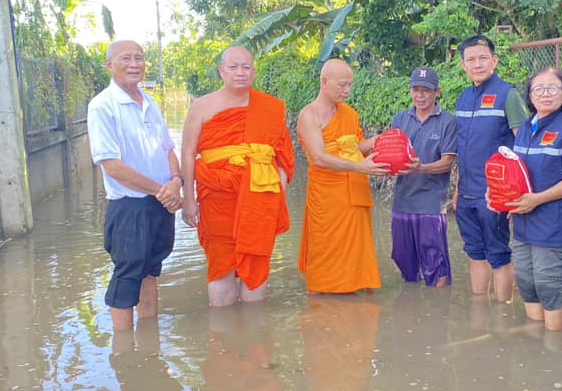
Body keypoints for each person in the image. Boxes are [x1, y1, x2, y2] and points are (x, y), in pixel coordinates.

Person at [180, 46, 295, 306]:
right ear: (222, 71)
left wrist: (278, 196)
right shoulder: (202, 105)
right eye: (233, 67)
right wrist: (188, 200)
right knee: (222, 264)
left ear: (254, 72)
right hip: (217, 196)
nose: (240, 72)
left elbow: (283, 158)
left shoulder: (270, 107)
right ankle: (223, 330)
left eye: (246, 67)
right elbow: (188, 153)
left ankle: (253, 328)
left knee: (256, 262)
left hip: (260, 197)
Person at [87, 40, 182, 331]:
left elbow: (168, 150)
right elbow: (113, 167)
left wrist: (176, 181)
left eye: (139, 58)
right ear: (110, 65)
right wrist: (163, 191)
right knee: (127, 275)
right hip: (130, 206)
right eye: (126, 58)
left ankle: (150, 340)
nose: (134, 64)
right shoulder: (103, 106)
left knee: (151, 271)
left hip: (160, 204)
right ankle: (124, 350)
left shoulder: (150, 104)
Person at [296, 59, 390, 293]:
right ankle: (323, 299)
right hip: (326, 196)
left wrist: (379, 140)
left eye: (350, 85)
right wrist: (359, 167)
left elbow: (356, 147)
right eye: (342, 85)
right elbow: (318, 157)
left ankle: (356, 296)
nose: (347, 90)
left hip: (354, 189)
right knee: (325, 246)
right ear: (324, 81)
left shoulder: (349, 113)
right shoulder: (309, 115)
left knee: (356, 247)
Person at [502, 67, 562, 331]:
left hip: (552, 221)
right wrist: (502, 196)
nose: (545, 94)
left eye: (553, 88)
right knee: (525, 279)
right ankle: (536, 343)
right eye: (538, 89)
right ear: (529, 95)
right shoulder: (525, 127)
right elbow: (516, 172)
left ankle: (555, 341)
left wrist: (537, 199)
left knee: (547, 282)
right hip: (522, 219)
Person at [454, 34, 527, 302]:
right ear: (463, 65)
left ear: (494, 61)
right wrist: (457, 188)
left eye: (483, 58)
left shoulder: (507, 94)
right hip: (466, 193)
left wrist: (516, 195)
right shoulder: (463, 98)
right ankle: (480, 310)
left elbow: (523, 146)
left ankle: (503, 312)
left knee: (498, 254)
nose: (477, 64)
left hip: (495, 195)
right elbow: (463, 149)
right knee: (474, 252)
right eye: (471, 59)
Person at [388, 67, 457, 287]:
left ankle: (439, 303)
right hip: (402, 202)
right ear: (410, 91)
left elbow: (447, 162)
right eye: (416, 89)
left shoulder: (447, 121)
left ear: (437, 91)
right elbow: (390, 154)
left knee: (435, 262)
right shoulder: (400, 119)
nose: (420, 95)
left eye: (426, 90)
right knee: (403, 260)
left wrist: (421, 168)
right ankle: (413, 303)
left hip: (431, 205)